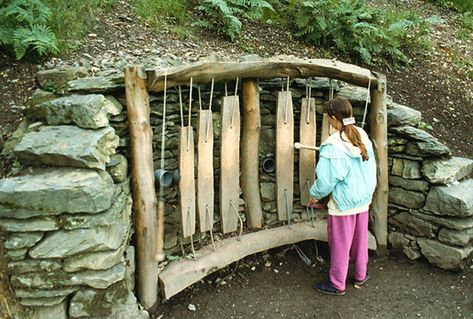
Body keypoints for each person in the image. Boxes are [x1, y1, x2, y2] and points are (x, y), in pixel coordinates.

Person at [308, 96, 377, 296]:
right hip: (363, 199)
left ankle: (337, 283)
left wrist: (315, 195)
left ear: (332, 118)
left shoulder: (333, 145)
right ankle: (360, 274)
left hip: (344, 204)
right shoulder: (362, 135)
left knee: (340, 244)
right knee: (359, 239)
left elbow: (327, 180)